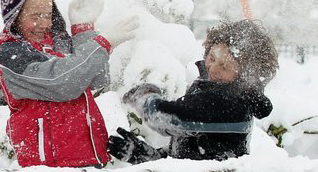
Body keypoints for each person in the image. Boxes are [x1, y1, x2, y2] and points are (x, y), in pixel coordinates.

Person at [0, 0, 139, 168]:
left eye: (48, 15)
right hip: (48, 165)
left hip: (88, 156)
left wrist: (84, 31)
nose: (44, 23)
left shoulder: (58, 42)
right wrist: (103, 43)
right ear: (14, 17)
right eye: (35, 15)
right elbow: (62, 82)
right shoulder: (10, 53)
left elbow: (96, 79)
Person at [108, 19, 278, 163]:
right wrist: (148, 156)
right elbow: (193, 152)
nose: (213, 69)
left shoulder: (228, 102)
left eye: (225, 67)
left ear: (243, 76)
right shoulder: (218, 91)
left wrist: (145, 97)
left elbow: (168, 119)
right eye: (212, 58)